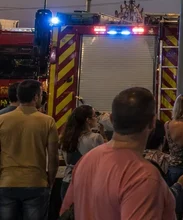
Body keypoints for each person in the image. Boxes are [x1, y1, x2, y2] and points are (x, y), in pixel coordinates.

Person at [61, 87, 176, 220]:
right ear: (152, 123)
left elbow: (66, 211)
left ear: (111, 119)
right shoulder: (143, 176)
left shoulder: (86, 161)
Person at [0, 80, 57, 219]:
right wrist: (50, 180)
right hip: (36, 182)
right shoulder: (47, 121)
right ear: (36, 97)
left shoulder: (2, 119)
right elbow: (53, 157)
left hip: (7, 182)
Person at [59, 104, 105, 200]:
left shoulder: (65, 138)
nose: (96, 118)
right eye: (94, 116)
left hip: (67, 183)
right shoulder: (95, 138)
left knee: (68, 215)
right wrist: (103, 134)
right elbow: (103, 161)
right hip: (86, 184)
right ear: (88, 120)